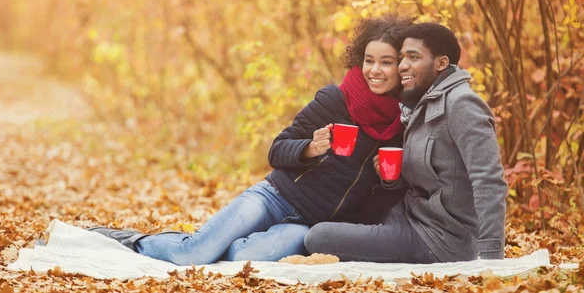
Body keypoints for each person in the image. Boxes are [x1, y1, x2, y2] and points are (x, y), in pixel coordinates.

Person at [88, 14, 413, 266]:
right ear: (360, 59)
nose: (376, 70)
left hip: (310, 226)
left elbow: (374, 213)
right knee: (194, 254)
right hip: (275, 197)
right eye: (370, 60)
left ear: (402, 66)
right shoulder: (334, 100)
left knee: (240, 260)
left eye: (386, 62)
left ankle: (216, 241)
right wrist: (310, 149)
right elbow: (276, 151)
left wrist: (387, 183)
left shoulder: (403, 125)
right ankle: (129, 240)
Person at [304, 22, 508, 263]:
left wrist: (492, 256)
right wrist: (392, 177)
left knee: (317, 237)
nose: (402, 66)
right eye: (401, 58)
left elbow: (489, 180)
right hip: (408, 216)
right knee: (328, 220)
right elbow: (432, 178)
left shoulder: (462, 104)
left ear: (441, 63)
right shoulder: (421, 104)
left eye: (413, 57)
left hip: (439, 239)